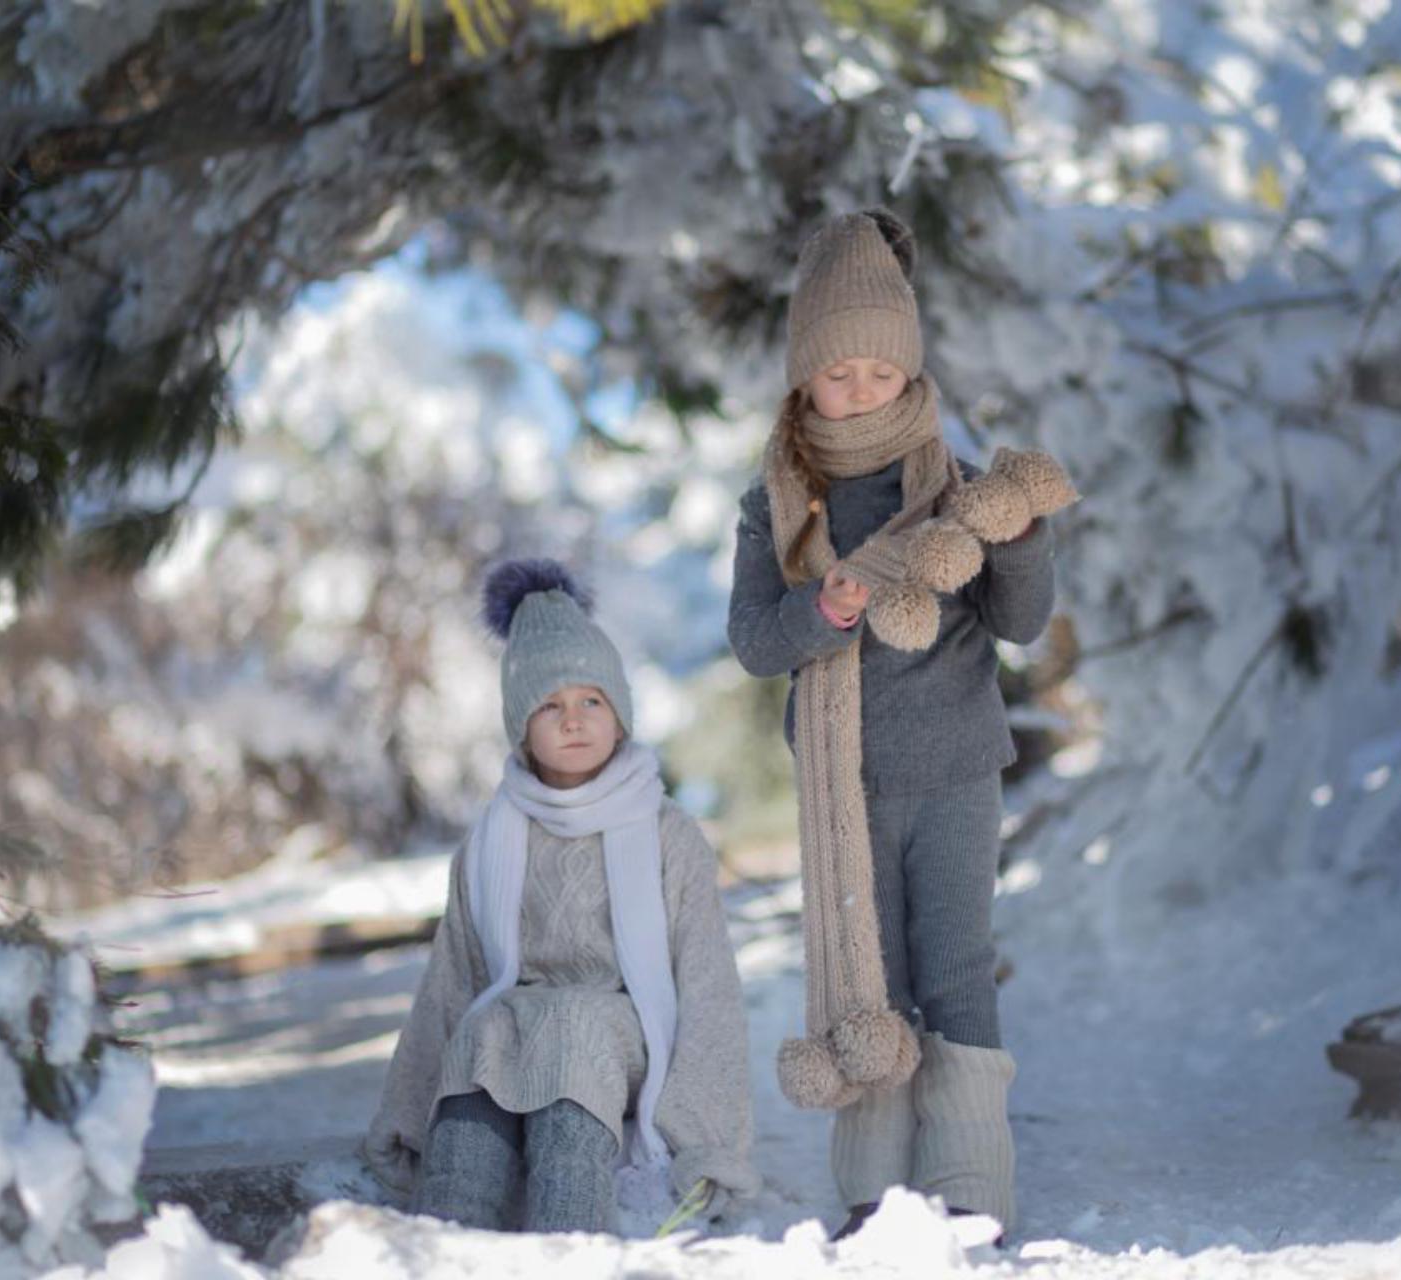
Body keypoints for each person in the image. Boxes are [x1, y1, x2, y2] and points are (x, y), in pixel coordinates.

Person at [726, 208, 1077, 1242]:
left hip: (958, 770)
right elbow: (753, 639)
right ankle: (874, 1195)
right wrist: (819, 611)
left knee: (956, 967)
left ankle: (972, 1186)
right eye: (842, 373)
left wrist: (1019, 536)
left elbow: (1021, 622)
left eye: (885, 369)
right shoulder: (779, 502)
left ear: (912, 370)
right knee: (864, 978)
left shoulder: (954, 487)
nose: (866, 389)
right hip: (845, 788)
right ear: (805, 381)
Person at [363, 558, 759, 1233]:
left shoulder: (666, 834)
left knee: (573, 1029)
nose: (573, 720)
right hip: (517, 1019)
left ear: (619, 715)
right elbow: (452, 982)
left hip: (622, 1025)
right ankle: (455, 1232)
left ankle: (568, 1236)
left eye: (591, 701)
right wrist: (406, 1116)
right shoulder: (492, 840)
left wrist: (708, 1137)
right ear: (522, 726)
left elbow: (707, 983)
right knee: (483, 1028)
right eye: (550, 705)